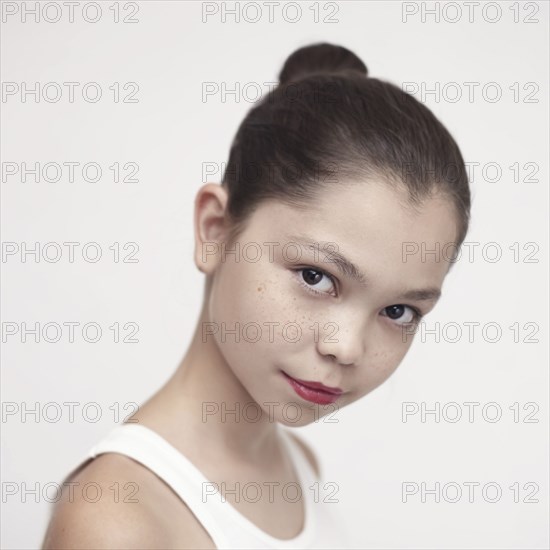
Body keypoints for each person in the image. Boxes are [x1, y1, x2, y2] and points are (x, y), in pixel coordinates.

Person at [42, 42, 471, 549]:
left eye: (398, 311)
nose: (347, 347)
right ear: (215, 229)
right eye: (316, 276)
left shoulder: (298, 465)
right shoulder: (118, 518)